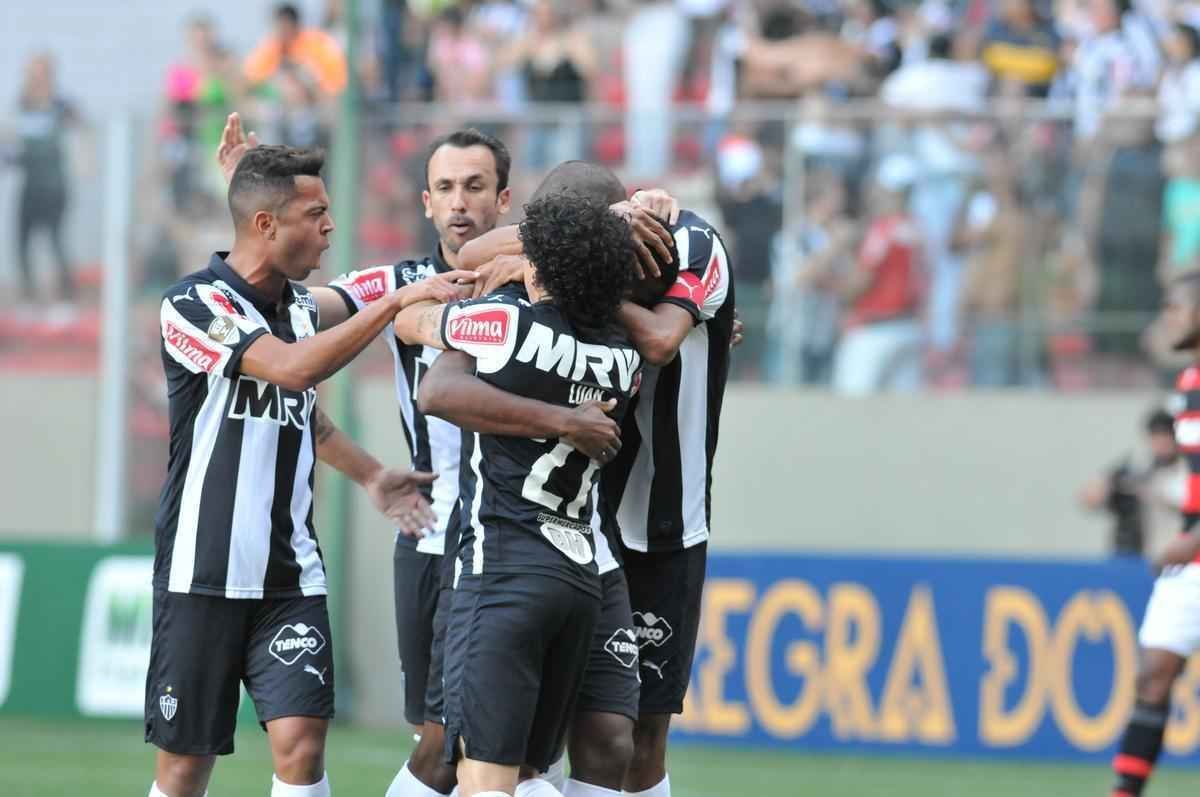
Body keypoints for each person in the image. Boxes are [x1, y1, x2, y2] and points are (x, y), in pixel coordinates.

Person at [145, 143, 468, 797]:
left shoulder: (297, 305)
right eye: (315, 213)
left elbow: (302, 415)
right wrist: (396, 304)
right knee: (183, 769)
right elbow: (294, 369)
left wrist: (373, 473)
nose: (329, 227)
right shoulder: (192, 305)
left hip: (290, 576)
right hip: (201, 573)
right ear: (267, 225)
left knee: (301, 745)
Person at [393, 192, 643, 797]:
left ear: (536, 261)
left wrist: (476, 302)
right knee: (533, 775)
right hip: (578, 579)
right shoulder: (625, 356)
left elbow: (432, 384)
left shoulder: (505, 322)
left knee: (482, 778)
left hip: (500, 572)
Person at [1109, 271, 1200, 797]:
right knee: (1154, 674)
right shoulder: (1187, 386)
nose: (1168, 317)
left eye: (1177, 308)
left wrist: (1190, 541)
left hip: (1193, 547)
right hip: (1191, 555)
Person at [832, 155, 926, 396]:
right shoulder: (917, 228)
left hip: (875, 329)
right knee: (904, 417)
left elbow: (862, 280)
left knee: (850, 407)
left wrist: (838, 291)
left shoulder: (883, 229)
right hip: (909, 326)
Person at [13, 52, 78, 310]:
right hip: (30, 184)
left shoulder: (61, 106)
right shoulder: (22, 103)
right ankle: (28, 296)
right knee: (22, 241)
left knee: (55, 239)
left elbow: (80, 133)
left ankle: (64, 297)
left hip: (54, 185)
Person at [1080, 409, 1185, 559]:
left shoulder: (1186, 469)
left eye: (1166, 435)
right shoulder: (1136, 466)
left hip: (1170, 555)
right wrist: (1105, 487)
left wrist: (1153, 493)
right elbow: (1091, 497)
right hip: (1130, 552)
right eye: (1156, 436)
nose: (1161, 442)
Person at [244, 3, 347, 98]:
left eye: (285, 27)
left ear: (295, 25)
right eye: (278, 28)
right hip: (284, 105)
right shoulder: (272, 46)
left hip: (321, 101)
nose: (282, 33)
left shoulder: (316, 42)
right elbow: (252, 77)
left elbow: (335, 81)